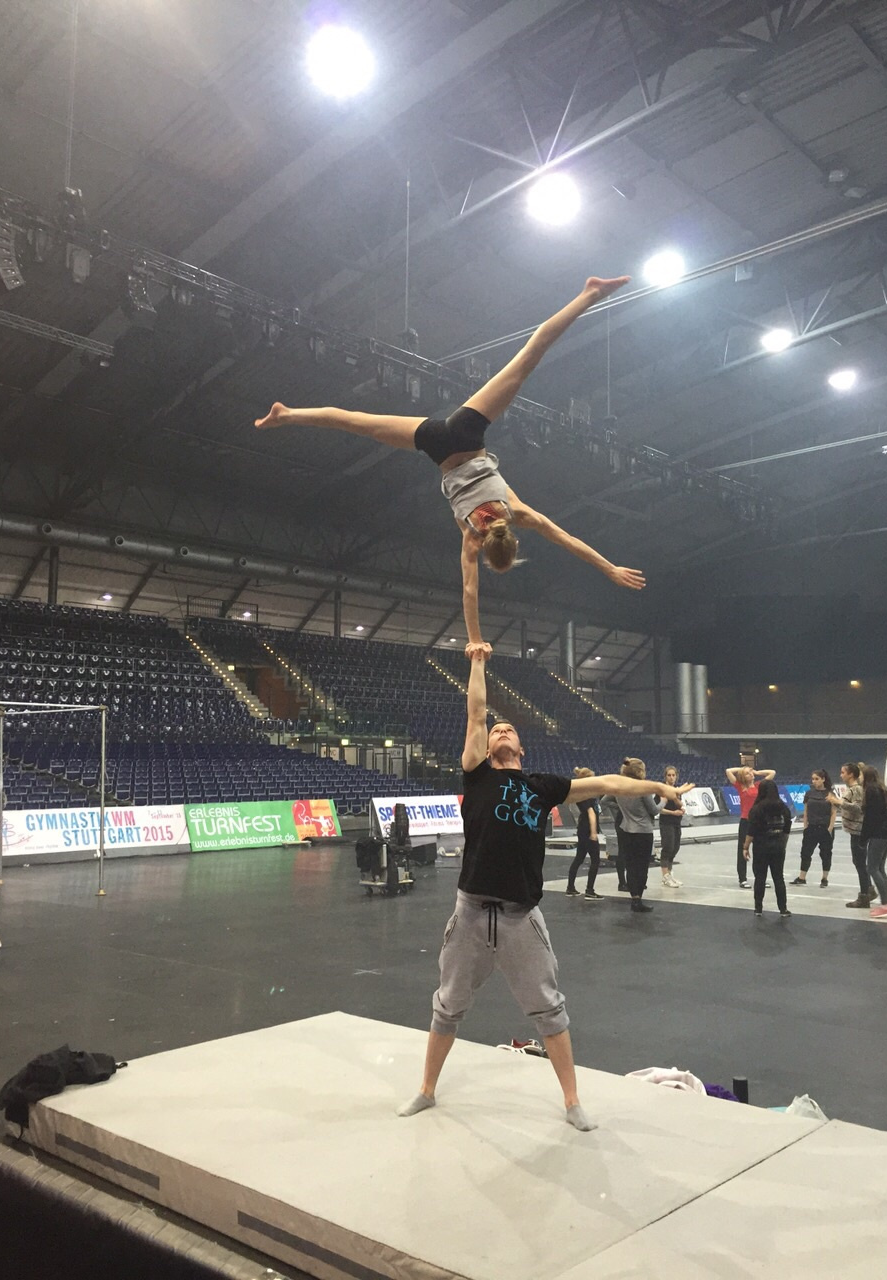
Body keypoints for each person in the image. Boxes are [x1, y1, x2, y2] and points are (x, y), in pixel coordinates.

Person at [255, 277, 646, 653]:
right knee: (358, 423)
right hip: (438, 446)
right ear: (488, 548)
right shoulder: (471, 538)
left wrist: (609, 568)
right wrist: (474, 639)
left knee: (528, 357)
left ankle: (589, 294)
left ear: (513, 540)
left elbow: (569, 540)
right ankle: (288, 415)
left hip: (466, 432)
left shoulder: (519, 513)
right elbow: (469, 591)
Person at [396, 652, 692, 1131]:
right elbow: (476, 711)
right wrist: (477, 662)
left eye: (509, 730)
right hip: (471, 913)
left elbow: (608, 782)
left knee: (550, 1010)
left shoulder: (542, 786)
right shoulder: (477, 773)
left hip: (521, 917)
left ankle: (573, 1102)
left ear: (522, 748)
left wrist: (658, 785)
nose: (501, 731)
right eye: (495, 730)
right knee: (447, 1005)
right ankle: (426, 1090)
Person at [615, 757, 662, 912]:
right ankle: (638, 899)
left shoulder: (619, 787)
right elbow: (654, 810)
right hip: (642, 831)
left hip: (626, 829)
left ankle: (634, 896)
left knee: (630, 865)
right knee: (642, 866)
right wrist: (663, 801)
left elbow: (606, 800)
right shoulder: (642, 788)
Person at [827, 763, 875, 908]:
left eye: (843, 772)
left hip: (858, 831)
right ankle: (869, 889)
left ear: (851, 774)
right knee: (858, 862)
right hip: (853, 831)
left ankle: (864, 895)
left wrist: (839, 802)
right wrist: (835, 802)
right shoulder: (851, 789)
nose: (841, 775)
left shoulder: (857, 789)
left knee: (860, 863)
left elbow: (858, 808)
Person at [742, 780, 792, 918]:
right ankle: (783, 909)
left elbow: (751, 831)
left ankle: (758, 908)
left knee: (760, 877)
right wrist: (783, 844)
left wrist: (745, 847)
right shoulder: (783, 807)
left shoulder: (757, 809)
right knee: (778, 877)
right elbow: (787, 828)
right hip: (778, 846)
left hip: (761, 847)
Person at [725, 764, 776, 888]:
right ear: (743, 777)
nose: (751, 774)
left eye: (751, 772)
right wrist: (742, 770)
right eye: (748, 773)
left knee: (760, 851)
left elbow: (772, 772)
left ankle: (760, 878)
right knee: (743, 849)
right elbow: (728, 771)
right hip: (746, 821)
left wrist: (756, 772)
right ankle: (742, 879)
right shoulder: (740, 786)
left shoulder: (759, 786)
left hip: (759, 822)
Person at [788, 769, 835, 888]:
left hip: (825, 828)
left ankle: (824, 878)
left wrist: (830, 828)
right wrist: (805, 826)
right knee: (805, 852)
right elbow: (806, 811)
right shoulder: (809, 793)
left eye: (817, 779)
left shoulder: (830, 794)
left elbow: (833, 812)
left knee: (826, 853)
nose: (814, 781)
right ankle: (802, 877)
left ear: (823, 779)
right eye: (813, 779)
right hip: (811, 827)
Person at [860, 765, 887, 920]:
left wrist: (863, 838)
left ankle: (885, 906)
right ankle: (886, 904)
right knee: (880, 868)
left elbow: (870, 818)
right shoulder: (882, 789)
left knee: (872, 868)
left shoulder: (871, 791)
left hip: (879, 834)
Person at [565, 767, 603, 900]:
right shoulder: (585, 796)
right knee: (595, 860)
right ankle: (590, 890)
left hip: (582, 829)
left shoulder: (582, 794)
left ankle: (570, 887)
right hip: (587, 830)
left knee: (579, 858)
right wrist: (593, 832)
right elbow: (591, 813)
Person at [657, 765, 684, 888]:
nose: (672, 777)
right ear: (665, 777)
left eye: (673, 775)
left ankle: (670, 873)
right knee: (668, 847)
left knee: (675, 848)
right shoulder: (661, 790)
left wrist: (680, 808)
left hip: (676, 822)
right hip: (666, 822)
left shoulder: (677, 791)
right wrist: (673, 813)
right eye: (669, 775)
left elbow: (680, 805)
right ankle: (665, 876)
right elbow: (658, 809)